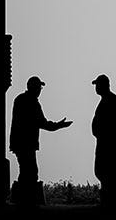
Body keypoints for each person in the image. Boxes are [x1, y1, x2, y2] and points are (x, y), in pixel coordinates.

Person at [8, 75, 70, 210]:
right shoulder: (31, 102)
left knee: (26, 170)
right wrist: (59, 125)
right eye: (39, 87)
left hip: (19, 143)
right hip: (26, 143)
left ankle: (23, 201)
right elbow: (42, 123)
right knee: (30, 171)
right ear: (33, 88)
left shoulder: (20, 100)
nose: (40, 90)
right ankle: (26, 203)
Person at [90, 74, 116, 208]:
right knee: (102, 170)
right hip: (104, 140)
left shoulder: (111, 99)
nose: (96, 88)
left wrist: (108, 131)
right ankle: (107, 198)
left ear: (103, 85)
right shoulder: (106, 99)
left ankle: (109, 200)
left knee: (106, 170)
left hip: (107, 141)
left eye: (97, 85)